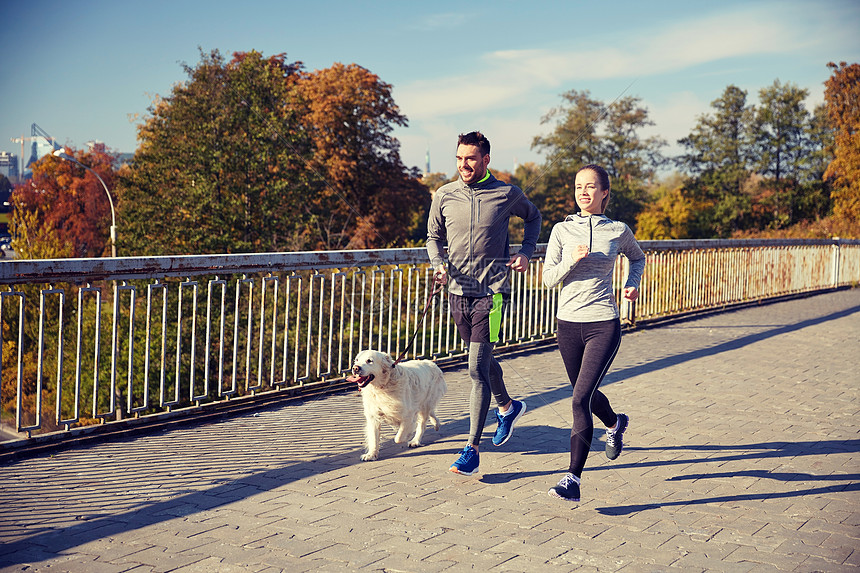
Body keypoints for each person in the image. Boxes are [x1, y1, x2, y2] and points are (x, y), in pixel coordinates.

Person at [426, 131, 542, 476]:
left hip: (492, 292)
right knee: (484, 360)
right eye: (460, 158)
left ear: (486, 160)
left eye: (471, 159)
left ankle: (471, 449)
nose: (464, 165)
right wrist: (438, 264)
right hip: (457, 292)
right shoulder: (444, 195)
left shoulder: (507, 193)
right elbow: (433, 237)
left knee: (476, 369)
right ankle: (507, 406)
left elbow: (533, 217)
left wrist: (525, 251)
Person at [541, 164, 645, 502]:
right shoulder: (561, 230)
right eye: (578, 187)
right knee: (584, 394)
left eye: (590, 187)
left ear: (604, 192)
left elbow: (638, 258)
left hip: (603, 323)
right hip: (567, 324)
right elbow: (547, 278)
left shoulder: (617, 230)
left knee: (578, 399)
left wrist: (631, 285)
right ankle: (615, 423)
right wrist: (571, 260)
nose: (583, 192)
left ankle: (572, 479)